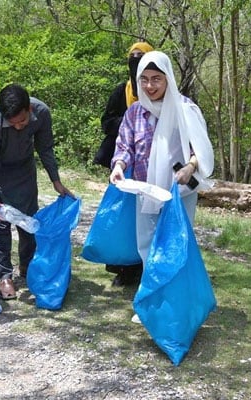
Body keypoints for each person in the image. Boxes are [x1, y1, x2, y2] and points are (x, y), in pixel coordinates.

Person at [109, 50, 214, 319]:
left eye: (156, 79)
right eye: (144, 79)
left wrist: (190, 166)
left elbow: (199, 150)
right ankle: (151, 301)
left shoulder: (185, 109)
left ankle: (175, 302)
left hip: (179, 193)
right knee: (147, 245)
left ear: (168, 79)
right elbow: (124, 147)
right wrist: (119, 167)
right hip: (145, 191)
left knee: (174, 244)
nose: (150, 86)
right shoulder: (134, 113)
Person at [0, 83, 74, 300]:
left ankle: (27, 265)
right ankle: (4, 276)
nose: (19, 127)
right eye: (13, 124)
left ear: (29, 108)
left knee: (28, 221)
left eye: (22, 121)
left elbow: (45, 148)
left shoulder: (42, 113)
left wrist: (56, 181)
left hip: (24, 169)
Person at [95, 41, 154, 287]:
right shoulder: (122, 92)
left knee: (148, 219)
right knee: (123, 220)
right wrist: (130, 123)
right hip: (124, 165)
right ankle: (124, 269)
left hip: (150, 168)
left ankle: (147, 268)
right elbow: (106, 122)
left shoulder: (158, 90)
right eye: (133, 59)